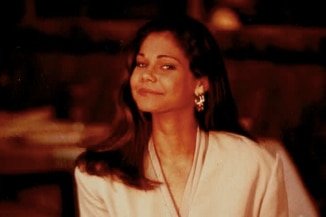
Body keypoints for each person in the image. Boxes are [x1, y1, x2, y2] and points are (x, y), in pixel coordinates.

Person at [74, 15, 289, 217]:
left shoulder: (254, 166)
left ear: (200, 84)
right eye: (141, 64)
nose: (147, 75)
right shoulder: (98, 175)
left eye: (166, 66)